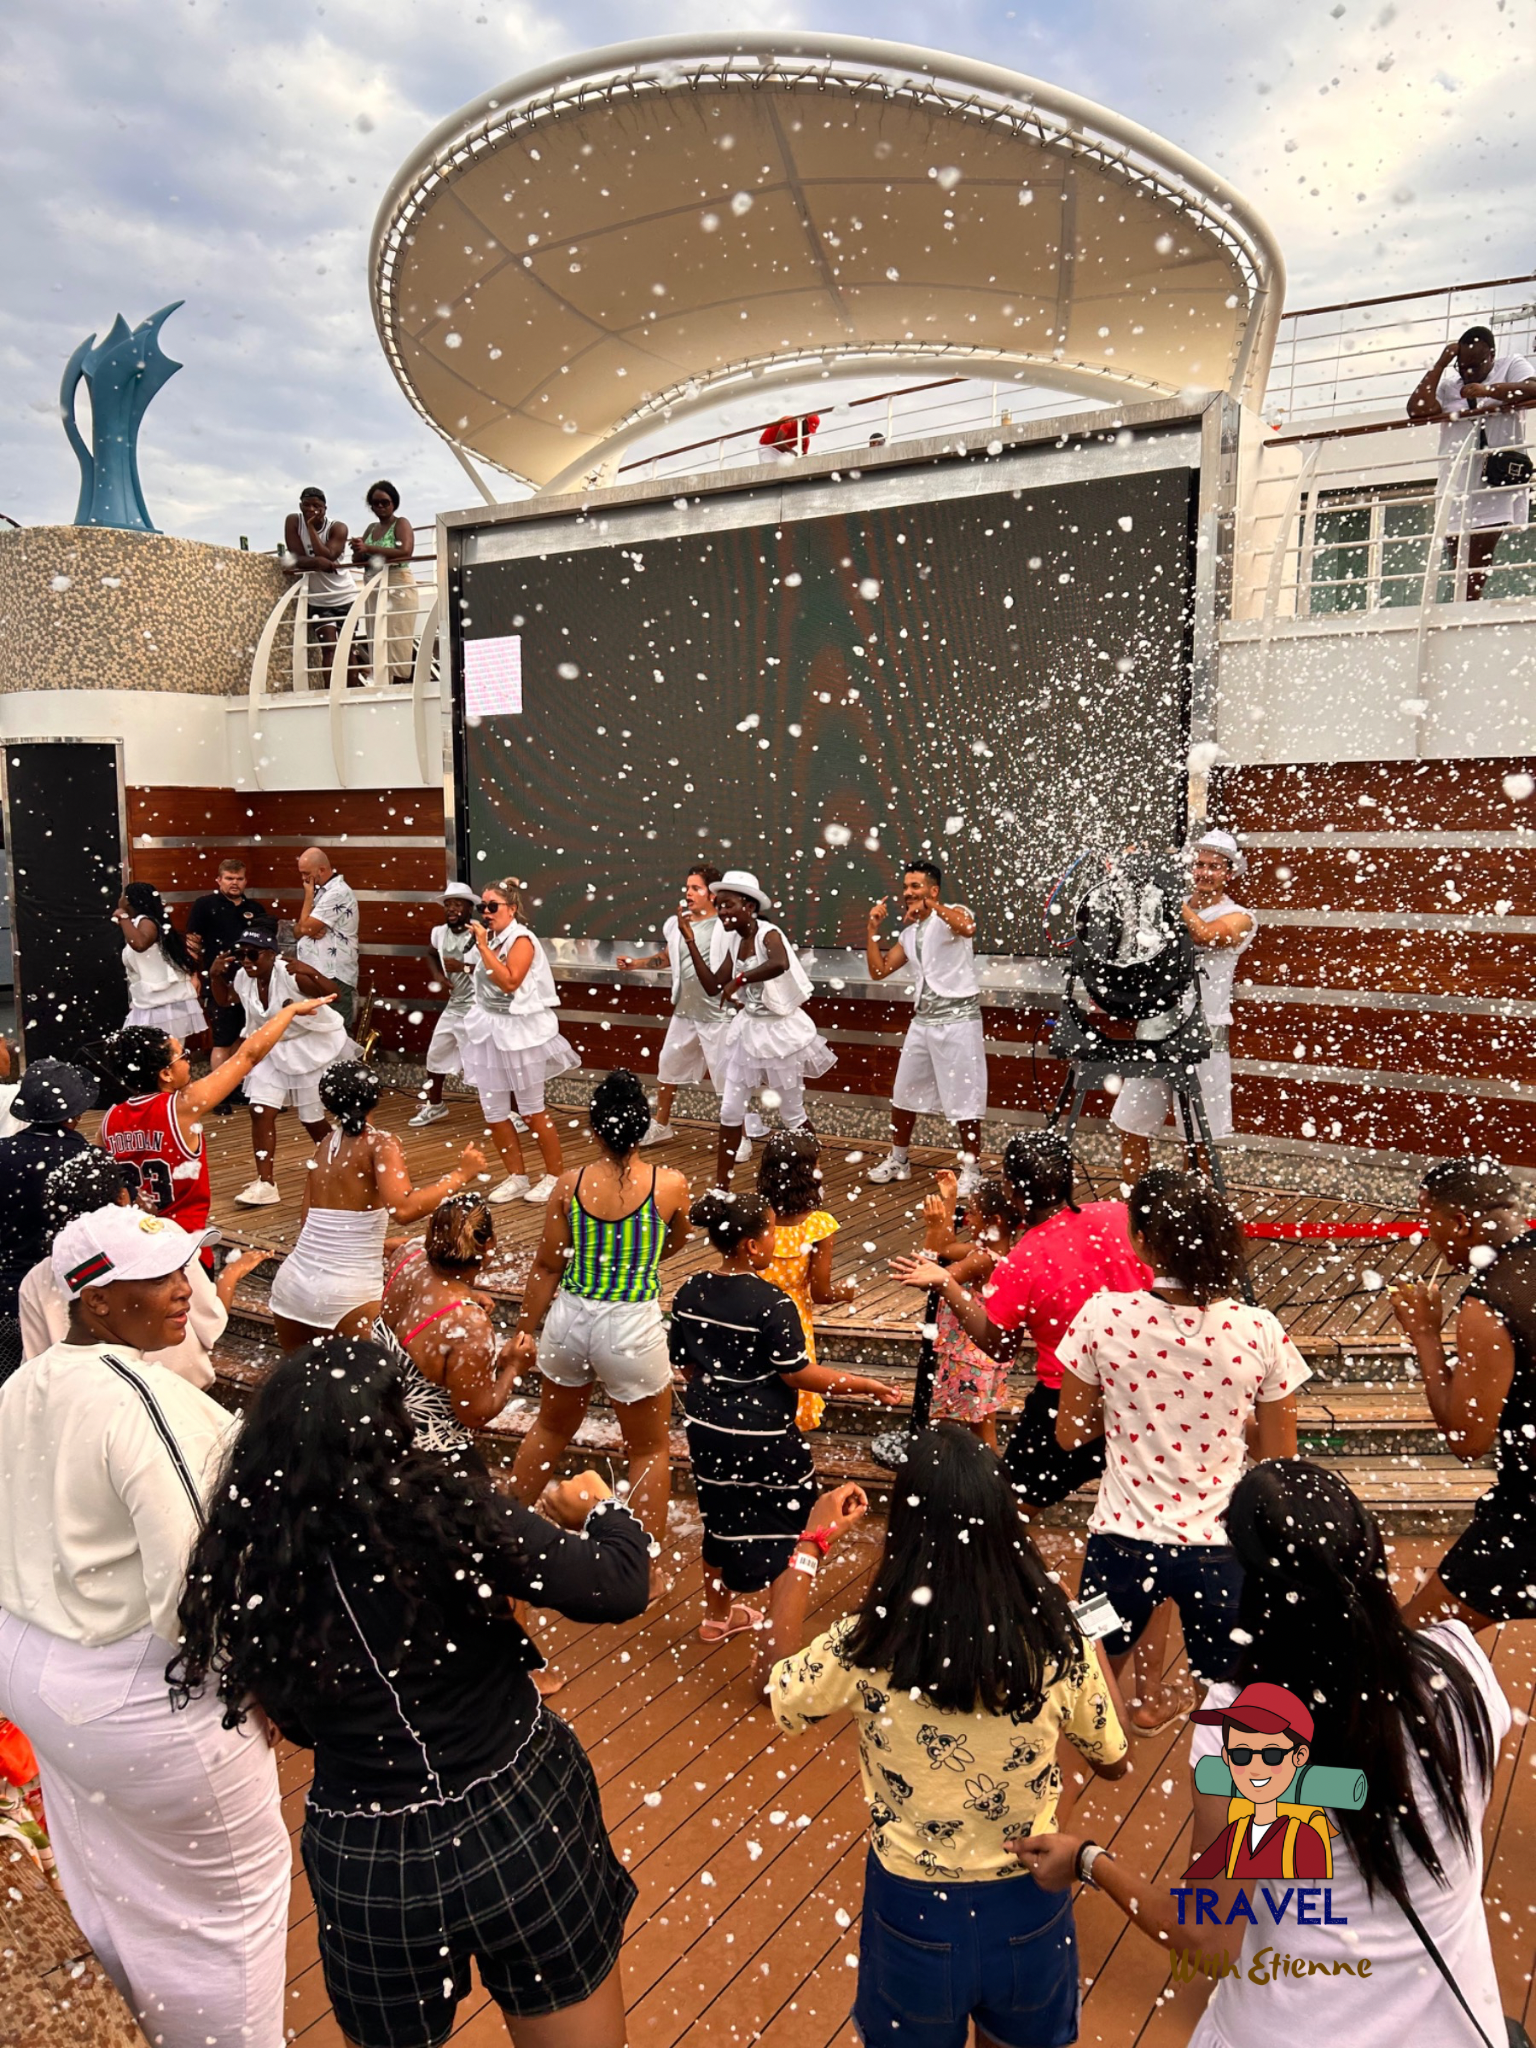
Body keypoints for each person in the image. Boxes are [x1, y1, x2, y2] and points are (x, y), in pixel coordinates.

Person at [172, 1336, 648, 2048]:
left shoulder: (257, 1568)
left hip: (370, 1854)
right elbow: (616, 1585)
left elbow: (296, 1722)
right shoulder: (448, 1512)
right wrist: (601, 1508)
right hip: (520, 1808)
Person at [1016, 1459, 1509, 2048]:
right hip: (1452, 2022)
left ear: (1252, 1590)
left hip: (1297, 2025)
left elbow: (1206, 1938)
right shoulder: (1458, 1662)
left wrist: (1088, 1860)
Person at [0, 1205, 290, 2048]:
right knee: (230, 1914)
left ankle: (143, 2029)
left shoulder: (25, 1383)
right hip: (129, 1691)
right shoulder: (142, 1396)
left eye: (182, 1269)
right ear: (94, 1302)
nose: (180, 1291)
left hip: (36, 1670)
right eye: (154, 1277)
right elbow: (200, 1576)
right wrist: (260, 1687)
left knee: (110, 1884)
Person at [770, 1425, 1127, 2048]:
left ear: (905, 1532)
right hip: (1031, 1892)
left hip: (911, 1905)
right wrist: (1083, 1637)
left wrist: (811, 1543)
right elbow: (1115, 1759)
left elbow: (773, 1683)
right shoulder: (1054, 1641)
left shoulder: (864, 1644)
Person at [892, 1133, 1176, 1728]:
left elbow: (995, 1340)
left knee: (1006, 1510)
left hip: (1067, 1402)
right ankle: (1149, 1696)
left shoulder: (1025, 1258)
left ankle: (1004, 1617)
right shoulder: (1117, 1217)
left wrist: (945, 1284)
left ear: (1017, 1194)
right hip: (1149, 1393)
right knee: (1159, 1535)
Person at [1058, 1170, 1308, 1692]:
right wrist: (1234, 1413)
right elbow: (1280, 1458)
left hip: (1118, 1544)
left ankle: (1105, 1756)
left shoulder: (1102, 1316)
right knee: (1228, 1705)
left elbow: (1069, 1434)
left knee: (1088, 1680)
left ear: (1144, 1242)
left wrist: (1126, 1401)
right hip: (1221, 1549)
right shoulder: (1258, 1329)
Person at [672, 1191, 901, 1680]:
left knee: (718, 1513)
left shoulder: (691, 1289)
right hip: (766, 1434)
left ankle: (716, 1617)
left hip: (707, 1428)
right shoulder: (772, 1303)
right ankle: (776, 1653)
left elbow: (685, 1364)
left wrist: (722, 1392)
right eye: (772, 1230)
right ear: (754, 1247)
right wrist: (867, 1386)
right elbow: (796, 1374)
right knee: (793, 1530)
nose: (778, 1238)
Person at [509, 1070, 691, 1553]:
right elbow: (675, 1241)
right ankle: (642, 1566)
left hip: (570, 1319)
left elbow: (548, 1264)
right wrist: (638, 1258)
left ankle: (504, 1532)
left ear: (594, 1128)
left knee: (550, 1427)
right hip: (631, 1323)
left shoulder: (571, 1184)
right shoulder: (670, 1185)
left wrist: (524, 1330)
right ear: (644, 1127)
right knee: (649, 1450)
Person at [1392, 1154, 1536, 1629]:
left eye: (1431, 1222)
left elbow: (1468, 1439)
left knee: (1410, 1644)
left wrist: (1426, 1337)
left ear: (1459, 1223)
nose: (1428, 1238)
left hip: (1527, 1519)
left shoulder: (1491, 1303)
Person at [267, 1062, 485, 1352]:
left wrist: (372, 1243)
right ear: (376, 1096)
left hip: (293, 1284)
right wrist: (460, 1175)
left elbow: (310, 1220)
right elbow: (403, 1210)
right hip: (346, 1292)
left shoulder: (324, 1146)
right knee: (365, 1390)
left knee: (302, 1384)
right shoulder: (380, 1143)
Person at [17, 1150, 266, 1388]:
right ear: (123, 1197)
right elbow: (210, 1322)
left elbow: (38, 1366)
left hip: (81, 1405)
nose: (184, 1290)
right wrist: (230, 1276)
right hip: (179, 1392)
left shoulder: (37, 1278)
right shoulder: (164, 1233)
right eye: (159, 1277)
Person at [98, 987, 334, 1233]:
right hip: (183, 1238)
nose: (188, 1061)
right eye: (183, 1056)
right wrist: (291, 1011)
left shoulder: (109, 1120)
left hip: (135, 1234)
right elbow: (248, 1056)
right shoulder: (182, 1106)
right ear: (166, 1073)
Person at [1110, 829, 1256, 1187]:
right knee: (1131, 1125)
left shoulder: (1242, 917)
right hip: (1156, 1033)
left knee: (1198, 1139)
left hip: (1204, 1038)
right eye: (1200, 864)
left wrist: (1167, 897)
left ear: (1229, 873)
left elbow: (1206, 934)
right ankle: (1136, 1213)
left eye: (1214, 866)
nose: (1205, 872)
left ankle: (1197, 1215)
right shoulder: (1165, 906)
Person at [676, 868, 836, 1193]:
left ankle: (812, 1180)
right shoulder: (736, 942)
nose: (722, 912)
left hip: (779, 1033)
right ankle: (722, 1187)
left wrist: (740, 980)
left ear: (749, 906)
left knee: (792, 1114)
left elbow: (779, 963)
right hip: (748, 1033)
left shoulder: (768, 934)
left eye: (728, 905)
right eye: (719, 905)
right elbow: (711, 986)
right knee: (730, 1109)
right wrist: (691, 941)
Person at [614, 860, 763, 1157]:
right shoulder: (680, 924)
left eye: (695, 888)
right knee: (667, 1068)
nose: (688, 893)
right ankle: (662, 1125)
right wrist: (636, 964)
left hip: (718, 1015)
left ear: (711, 894)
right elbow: (667, 957)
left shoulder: (726, 927)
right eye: (687, 888)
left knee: (727, 1078)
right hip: (685, 1011)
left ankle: (742, 1136)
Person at [207, 921, 354, 1207]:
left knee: (311, 1120)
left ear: (272, 954)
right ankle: (265, 1183)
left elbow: (333, 992)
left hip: (311, 1047)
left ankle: (344, 1165)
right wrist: (216, 977)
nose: (246, 961)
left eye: (254, 954)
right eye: (242, 955)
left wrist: (309, 970)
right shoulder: (243, 977)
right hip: (272, 1047)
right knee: (260, 1110)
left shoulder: (290, 974)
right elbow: (225, 1000)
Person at [864, 861, 989, 1193]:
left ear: (933, 890)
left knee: (965, 1097)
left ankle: (972, 1169)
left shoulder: (952, 915)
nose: (908, 893)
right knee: (903, 1092)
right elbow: (879, 972)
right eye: (906, 887)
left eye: (916, 886)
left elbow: (968, 928)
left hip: (959, 1020)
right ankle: (899, 1159)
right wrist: (872, 931)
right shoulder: (909, 933)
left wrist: (931, 906)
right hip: (922, 1022)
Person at [375, 1191, 524, 1460]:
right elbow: (475, 1413)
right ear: (488, 1243)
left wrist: (468, 1294)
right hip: (428, 1455)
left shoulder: (408, 1255)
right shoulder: (467, 1324)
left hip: (379, 1428)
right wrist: (514, 1367)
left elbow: (425, 1294)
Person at [460, 878, 578, 1204]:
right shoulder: (491, 939)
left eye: (493, 906)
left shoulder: (522, 939)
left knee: (530, 1110)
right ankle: (517, 1176)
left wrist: (483, 947)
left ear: (511, 909)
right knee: (494, 1111)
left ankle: (554, 1176)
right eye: (482, 906)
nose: (486, 911)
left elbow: (511, 981)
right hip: (489, 1030)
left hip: (520, 1032)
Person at [1408, 324, 1536, 601]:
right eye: (1462, 366)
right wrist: (1442, 363)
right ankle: (1461, 605)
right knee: (1457, 553)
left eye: (1475, 365)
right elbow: (1418, 410)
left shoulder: (1511, 364)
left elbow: (1532, 389)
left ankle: (1468, 606)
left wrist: (1487, 390)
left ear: (1491, 355)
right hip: (1457, 477)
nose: (1468, 372)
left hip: (1495, 478)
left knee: (1480, 553)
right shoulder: (1448, 384)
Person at [757, 1126, 857, 1431]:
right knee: (794, 1377)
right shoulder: (817, 1226)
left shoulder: (758, 1215)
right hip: (793, 1316)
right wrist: (846, 1292)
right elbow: (822, 1292)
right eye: (817, 1165)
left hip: (755, 1310)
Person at [0, 1059, 94, 1380]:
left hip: (6, 1300)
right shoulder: (89, 1162)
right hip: (65, 1307)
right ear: (76, 1114)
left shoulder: (3, 1153)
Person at [918, 1170, 1022, 1450]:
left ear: (995, 1220)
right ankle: (993, 1484)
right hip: (986, 1357)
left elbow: (930, 1278)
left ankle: (967, 1481)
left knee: (950, 1428)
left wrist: (931, 1230)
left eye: (974, 1213)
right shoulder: (999, 1251)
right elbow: (947, 1246)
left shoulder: (981, 1259)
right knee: (982, 1427)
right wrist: (949, 1199)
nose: (968, 1219)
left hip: (969, 1359)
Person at [186, 858, 269, 1084]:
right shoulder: (205, 905)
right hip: (219, 981)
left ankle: (237, 1086)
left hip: (251, 983)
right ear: (219, 880)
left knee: (246, 1037)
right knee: (222, 1039)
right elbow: (193, 943)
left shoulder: (255, 909)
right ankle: (218, 1094)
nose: (234, 883)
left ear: (245, 881)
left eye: (239, 879)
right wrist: (193, 975)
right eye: (229, 878)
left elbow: (266, 947)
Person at [410, 880, 479, 1125]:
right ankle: (435, 1105)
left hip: (479, 1008)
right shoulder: (439, 933)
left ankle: (510, 1113)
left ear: (469, 909)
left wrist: (464, 967)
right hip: (455, 1005)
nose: (451, 909)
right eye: (447, 905)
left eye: (457, 904)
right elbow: (430, 953)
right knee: (435, 1055)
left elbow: (495, 969)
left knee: (488, 1061)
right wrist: (438, 976)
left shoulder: (479, 933)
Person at [111, 882, 204, 1044]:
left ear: (128, 900)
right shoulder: (139, 923)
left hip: (165, 1004)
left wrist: (122, 917)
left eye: (121, 895)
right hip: (150, 1003)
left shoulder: (146, 921)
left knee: (163, 1057)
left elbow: (139, 944)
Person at [283, 486, 358, 678]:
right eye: (306, 505)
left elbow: (329, 556)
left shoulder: (338, 527)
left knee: (348, 649)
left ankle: (352, 695)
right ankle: (329, 696)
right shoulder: (293, 521)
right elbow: (296, 557)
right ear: (300, 505)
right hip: (319, 599)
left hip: (345, 595)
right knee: (329, 649)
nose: (311, 509)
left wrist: (311, 528)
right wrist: (316, 562)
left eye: (316, 506)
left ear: (325, 508)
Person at [348, 479, 416, 681]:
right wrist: (358, 550)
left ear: (393, 502)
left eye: (384, 502)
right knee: (375, 634)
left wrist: (368, 548)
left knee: (397, 636)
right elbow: (358, 561)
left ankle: (400, 683)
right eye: (375, 503)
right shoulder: (370, 529)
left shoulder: (401, 523)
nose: (380, 506)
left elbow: (405, 552)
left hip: (397, 583)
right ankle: (383, 682)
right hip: (374, 585)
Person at [294, 844, 360, 1031]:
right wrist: (306, 927)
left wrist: (307, 898)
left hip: (333, 974)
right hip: (315, 972)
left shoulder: (337, 892)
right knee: (315, 1033)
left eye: (306, 873)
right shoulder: (320, 892)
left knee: (335, 1033)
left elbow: (305, 926)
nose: (304, 879)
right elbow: (297, 931)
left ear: (321, 870)